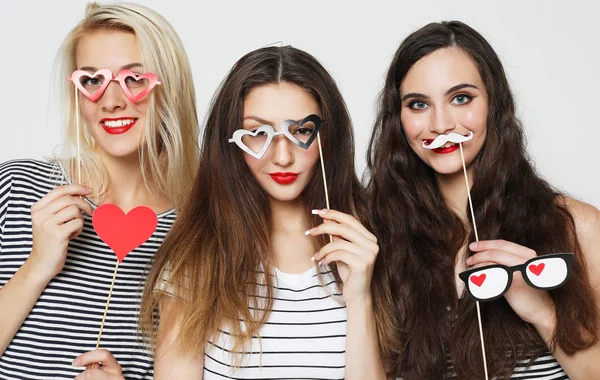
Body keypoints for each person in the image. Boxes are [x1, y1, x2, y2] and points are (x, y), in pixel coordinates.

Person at [140, 46, 396, 379]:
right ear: (231, 142)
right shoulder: (198, 253)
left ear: (328, 136)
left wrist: (360, 297)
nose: (283, 157)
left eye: (302, 130)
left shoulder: (368, 240)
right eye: (259, 134)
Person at [366, 20, 600, 379]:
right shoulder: (376, 237)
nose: (441, 123)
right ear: (398, 118)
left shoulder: (577, 226)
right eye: (418, 104)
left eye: (461, 98)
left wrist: (541, 310)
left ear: (494, 103)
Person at [0, 3, 199, 379]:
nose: (111, 101)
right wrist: (37, 266)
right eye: (92, 80)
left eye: (134, 79)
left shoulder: (193, 231)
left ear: (168, 87)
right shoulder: (15, 185)